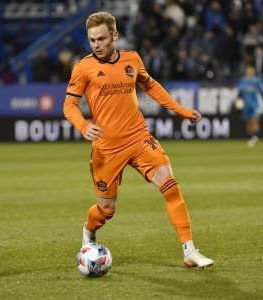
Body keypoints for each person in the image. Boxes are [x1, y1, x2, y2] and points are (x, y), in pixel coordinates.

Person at [63, 12, 213, 268]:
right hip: (107, 149)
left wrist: (182, 111)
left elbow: (151, 86)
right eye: (92, 40)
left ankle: (189, 251)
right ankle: (88, 232)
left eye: (101, 39)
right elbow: (69, 105)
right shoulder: (83, 68)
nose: (97, 45)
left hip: (139, 138)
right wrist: (83, 126)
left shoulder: (132, 59)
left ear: (115, 36)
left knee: (170, 184)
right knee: (106, 210)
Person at [238, 65, 263, 147]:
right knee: (248, 122)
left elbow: (262, 91)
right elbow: (240, 92)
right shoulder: (243, 80)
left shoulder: (257, 80)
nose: (250, 72)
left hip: (255, 104)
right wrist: (239, 100)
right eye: (248, 70)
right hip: (247, 104)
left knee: (254, 119)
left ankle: (255, 136)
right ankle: (252, 137)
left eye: (251, 70)